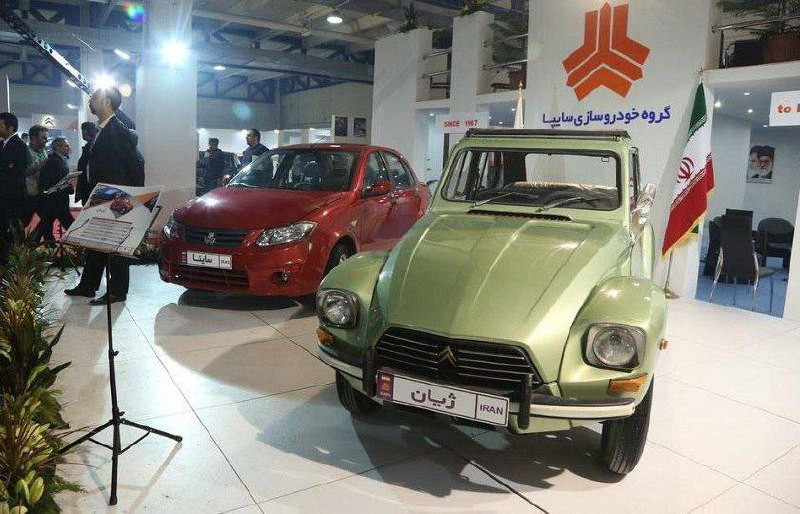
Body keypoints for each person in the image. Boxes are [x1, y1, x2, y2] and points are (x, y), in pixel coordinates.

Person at [65, 86, 144, 305]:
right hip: (99, 197)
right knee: (95, 242)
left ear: (107, 102)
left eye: (93, 98)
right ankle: (88, 286)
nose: (90, 101)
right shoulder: (101, 130)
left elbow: (137, 164)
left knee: (116, 246)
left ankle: (118, 291)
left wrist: (132, 197)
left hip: (115, 198)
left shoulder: (120, 131)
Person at [34, 137, 73, 242]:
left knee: (45, 223)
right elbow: (52, 182)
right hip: (56, 200)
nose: (68, 148)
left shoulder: (58, 160)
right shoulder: (53, 161)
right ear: (57, 147)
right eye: (66, 146)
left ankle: (36, 243)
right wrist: (67, 186)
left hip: (56, 200)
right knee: (68, 223)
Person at [0, 113, 29, 256]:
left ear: (10, 127)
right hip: (3, 196)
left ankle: (12, 261)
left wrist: (6, 167)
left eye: (0, 125)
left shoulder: (19, 146)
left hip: (13, 197)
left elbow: (16, 171)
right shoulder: (2, 144)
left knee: (13, 231)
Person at [24, 124, 49, 226]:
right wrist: (40, 166)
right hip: (29, 194)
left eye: (46, 138)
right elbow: (23, 172)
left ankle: (41, 235)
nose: (46, 141)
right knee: (24, 223)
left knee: (47, 220)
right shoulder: (25, 152)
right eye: (43, 138)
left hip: (42, 193)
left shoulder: (44, 151)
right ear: (34, 138)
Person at [75, 121, 97, 205]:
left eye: (82, 130)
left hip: (89, 187)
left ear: (85, 131)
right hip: (88, 187)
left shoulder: (92, 146)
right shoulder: (89, 146)